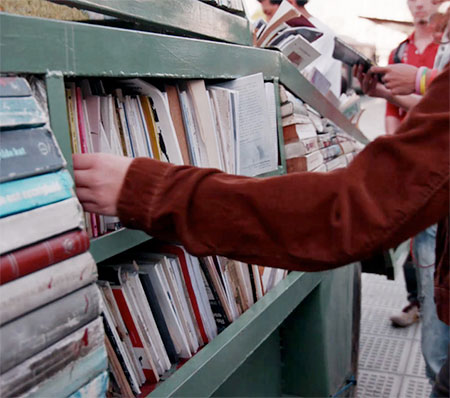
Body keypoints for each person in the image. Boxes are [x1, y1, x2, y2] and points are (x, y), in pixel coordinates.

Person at [356, 2, 450, 385]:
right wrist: (387, 94)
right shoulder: (401, 48)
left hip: (434, 173)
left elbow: (434, 98)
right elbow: (431, 105)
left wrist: (423, 80)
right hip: (425, 175)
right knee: (433, 293)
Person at [286, 0, 342, 97]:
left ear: (290, 3)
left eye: (269, 13)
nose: (269, 19)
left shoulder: (322, 33)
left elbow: (306, 80)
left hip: (318, 108)